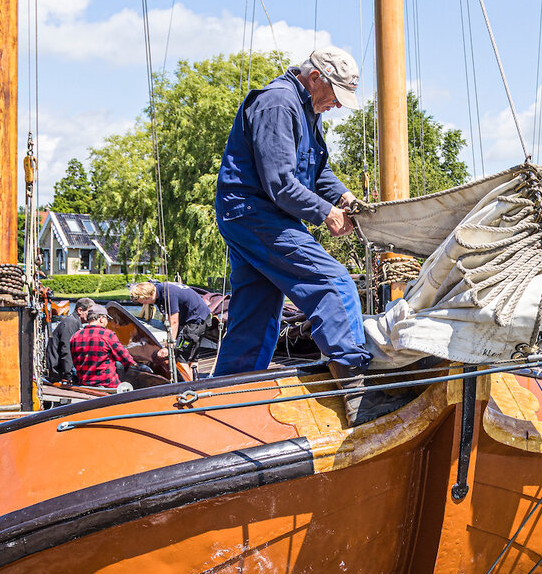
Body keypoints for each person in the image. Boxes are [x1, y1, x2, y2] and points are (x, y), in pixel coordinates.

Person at [213, 47, 377, 419]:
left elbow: (317, 172)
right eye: (335, 94)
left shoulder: (306, 109)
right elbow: (281, 183)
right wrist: (327, 214)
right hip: (256, 215)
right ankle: (357, 396)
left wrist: (344, 197)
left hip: (253, 217)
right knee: (332, 282)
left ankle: (225, 402)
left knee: (256, 312)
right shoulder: (278, 104)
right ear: (316, 77)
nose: (336, 104)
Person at [129, 281, 211, 381]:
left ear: (148, 295)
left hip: (194, 322)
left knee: (181, 357)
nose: (144, 304)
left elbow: (174, 321)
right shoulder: (160, 289)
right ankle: (196, 382)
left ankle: (188, 386)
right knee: (192, 356)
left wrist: (168, 346)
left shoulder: (168, 295)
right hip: (202, 318)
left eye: (143, 301)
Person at [69, 305, 136, 390]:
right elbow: (125, 359)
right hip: (108, 385)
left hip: (84, 384)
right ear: (101, 319)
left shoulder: (75, 336)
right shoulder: (108, 335)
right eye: (107, 319)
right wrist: (135, 364)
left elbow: (75, 361)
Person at [46, 296, 90, 382]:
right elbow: (66, 350)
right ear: (80, 311)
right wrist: (68, 376)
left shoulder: (73, 321)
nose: (92, 315)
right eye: (90, 312)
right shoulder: (71, 323)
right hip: (58, 372)